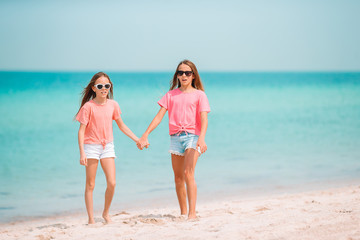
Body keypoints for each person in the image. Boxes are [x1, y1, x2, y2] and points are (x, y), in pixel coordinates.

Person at [138, 60, 210, 219]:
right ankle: (183, 212)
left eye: (187, 73)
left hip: (193, 136)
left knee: (188, 173)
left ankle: (192, 213)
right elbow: (158, 117)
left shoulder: (200, 95)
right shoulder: (170, 95)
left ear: (193, 76)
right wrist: (145, 134)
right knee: (178, 178)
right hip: (175, 138)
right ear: (177, 75)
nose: (184, 75)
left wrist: (202, 139)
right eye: (180, 72)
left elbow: (204, 119)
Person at [75, 72, 140, 224]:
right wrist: (82, 152)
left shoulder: (113, 105)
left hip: (107, 146)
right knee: (90, 184)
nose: (104, 88)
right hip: (91, 147)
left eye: (107, 86)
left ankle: (105, 213)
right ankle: (91, 219)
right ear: (93, 88)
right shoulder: (88, 107)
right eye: (100, 86)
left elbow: (122, 126)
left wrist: (137, 139)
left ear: (109, 87)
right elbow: (81, 131)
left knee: (112, 183)